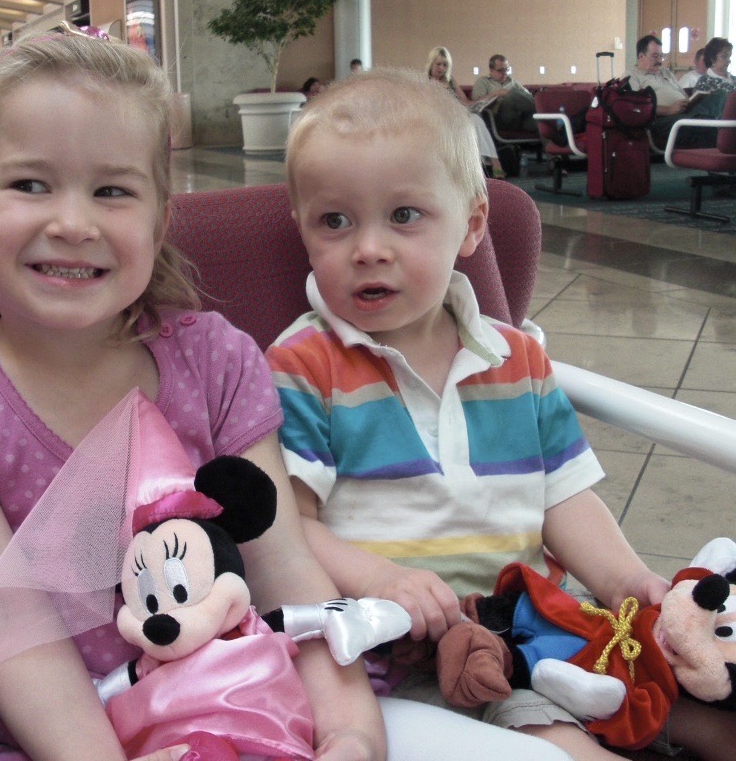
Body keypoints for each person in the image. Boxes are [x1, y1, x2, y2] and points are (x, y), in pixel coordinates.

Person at [0, 30, 390, 761]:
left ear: (160, 223)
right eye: (30, 184)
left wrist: (350, 732)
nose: (73, 224)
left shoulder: (216, 361)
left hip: (251, 711)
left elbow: (282, 566)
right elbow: (12, 629)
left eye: (112, 191)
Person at [267, 67, 736, 760]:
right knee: (561, 743)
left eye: (404, 215)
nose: (368, 248)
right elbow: (289, 530)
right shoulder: (303, 367)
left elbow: (563, 497)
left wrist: (629, 583)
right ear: (302, 230)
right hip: (412, 659)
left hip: (543, 629)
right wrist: (380, 580)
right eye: (334, 222)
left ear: (472, 223)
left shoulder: (516, 357)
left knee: (710, 714)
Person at [626, 34, 726, 149]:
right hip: (661, 119)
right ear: (641, 56)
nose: (659, 61)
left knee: (720, 95)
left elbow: (682, 94)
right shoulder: (631, 76)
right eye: (655, 56)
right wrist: (669, 110)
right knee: (704, 123)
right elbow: (637, 108)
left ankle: (718, 125)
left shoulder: (665, 72)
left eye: (661, 56)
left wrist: (691, 101)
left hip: (685, 111)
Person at [426, 46, 507, 179]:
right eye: (438, 64)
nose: (442, 68)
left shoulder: (450, 81)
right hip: (437, 119)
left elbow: (466, 103)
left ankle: (492, 163)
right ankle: (484, 166)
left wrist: (491, 96)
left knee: (476, 119)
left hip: (456, 116)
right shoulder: (424, 81)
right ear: (431, 63)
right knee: (471, 123)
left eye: (445, 65)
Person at [471, 53, 538, 134]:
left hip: (519, 118)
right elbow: (476, 104)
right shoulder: (483, 82)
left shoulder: (513, 81)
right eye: (500, 70)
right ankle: (543, 108)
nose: (505, 73)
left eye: (507, 69)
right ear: (491, 70)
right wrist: (496, 93)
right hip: (498, 118)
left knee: (539, 122)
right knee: (513, 94)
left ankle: (543, 113)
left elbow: (528, 96)